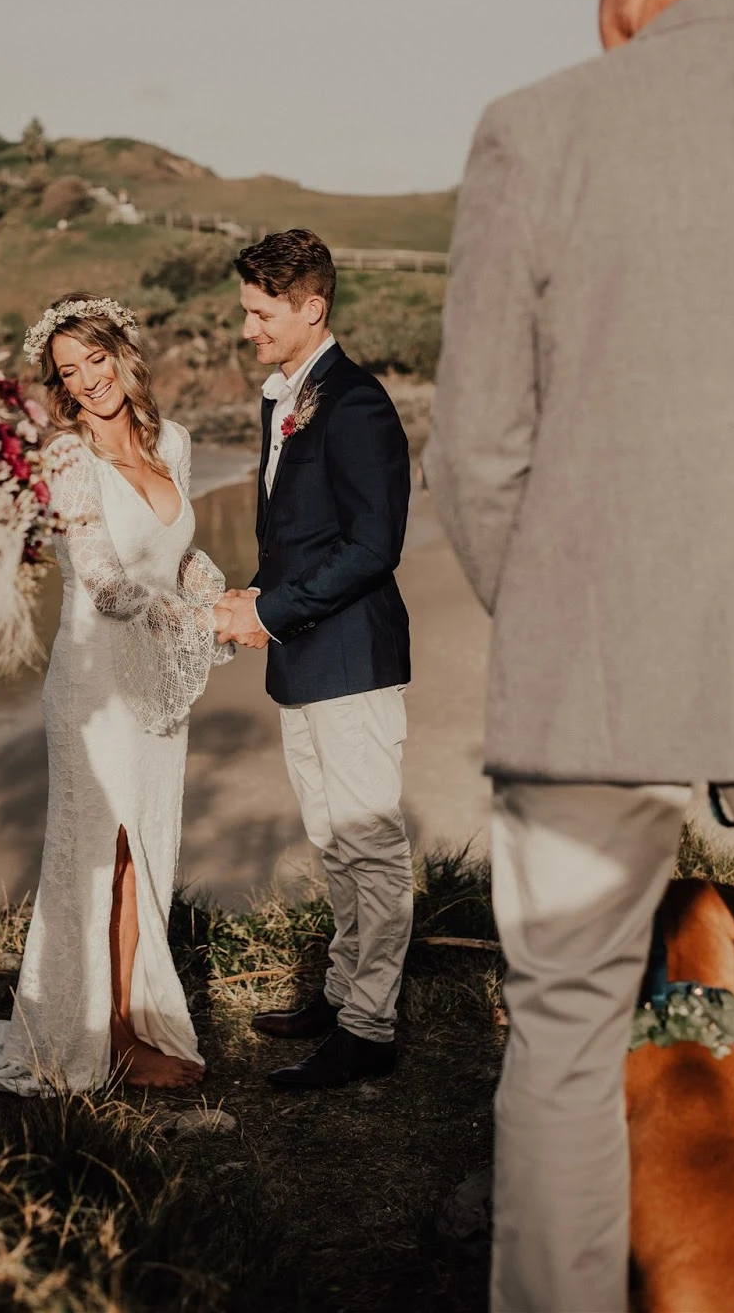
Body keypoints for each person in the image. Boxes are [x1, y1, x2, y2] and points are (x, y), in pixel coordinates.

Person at [422, 0, 734, 1313]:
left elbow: (476, 450)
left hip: (593, 674)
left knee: (560, 1034)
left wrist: (551, 609)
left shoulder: (535, 129)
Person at [0, 297, 231, 1092]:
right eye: (69, 371)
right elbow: (108, 586)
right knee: (101, 851)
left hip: (157, 680)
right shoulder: (65, 458)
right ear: (58, 383)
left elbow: (174, 558)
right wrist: (205, 616)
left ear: (124, 353)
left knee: (144, 850)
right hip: (94, 681)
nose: (87, 381)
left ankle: (129, 1017)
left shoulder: (175, 445)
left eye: (96, 359)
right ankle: (101, 1034)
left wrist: (229, 595)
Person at [215, 230, 413, 1090]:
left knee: (371, 844)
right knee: (333, 839)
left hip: (351, 657)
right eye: (246, 311)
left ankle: (371, 1027)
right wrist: (246, 599)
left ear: (310, 308)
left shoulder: (357, 402)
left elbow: (374, 546)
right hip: (303, 655)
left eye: (261, 313)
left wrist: (271, 611)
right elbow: (297, 534)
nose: (248, 328)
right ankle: (340, 993)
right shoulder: (282, 400)